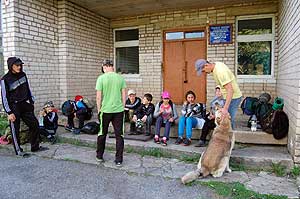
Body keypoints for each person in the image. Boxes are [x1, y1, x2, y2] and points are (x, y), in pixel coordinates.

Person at [0, 57, 48, 157]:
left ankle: (35, 147)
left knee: (34, 125)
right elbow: (4, 97)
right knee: (15, 129)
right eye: (17, 65)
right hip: (14, 107)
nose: (19, 67)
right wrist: (9, 112)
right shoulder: (5, 79)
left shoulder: (23, 75)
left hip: (25, 105)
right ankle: (18, 151)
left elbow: (28, 89)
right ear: (11, 66)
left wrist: (31, 101)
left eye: (20, 65)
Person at [195, 59, 242, 129]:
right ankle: (227, 138)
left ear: (206, 65)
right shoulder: (216, 65)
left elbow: (230, 90)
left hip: (233, 98)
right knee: (225, 120)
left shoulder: (220, 72)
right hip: (227, 97)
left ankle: (230, 139)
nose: (204, 73)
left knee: (228, 120)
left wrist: (225, 108)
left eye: (203, 70)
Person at [95, 59, 126, 166]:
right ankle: (118, 160)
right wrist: (122, 106)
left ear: (104, 66)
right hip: (118, 111)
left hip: (105, 110)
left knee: (102, 133)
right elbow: (123, 95)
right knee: (119, 135)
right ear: (112, 66)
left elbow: (98, 97)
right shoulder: (120, 78)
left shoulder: (101, 78)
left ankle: (99, 156)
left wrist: (99, 111)